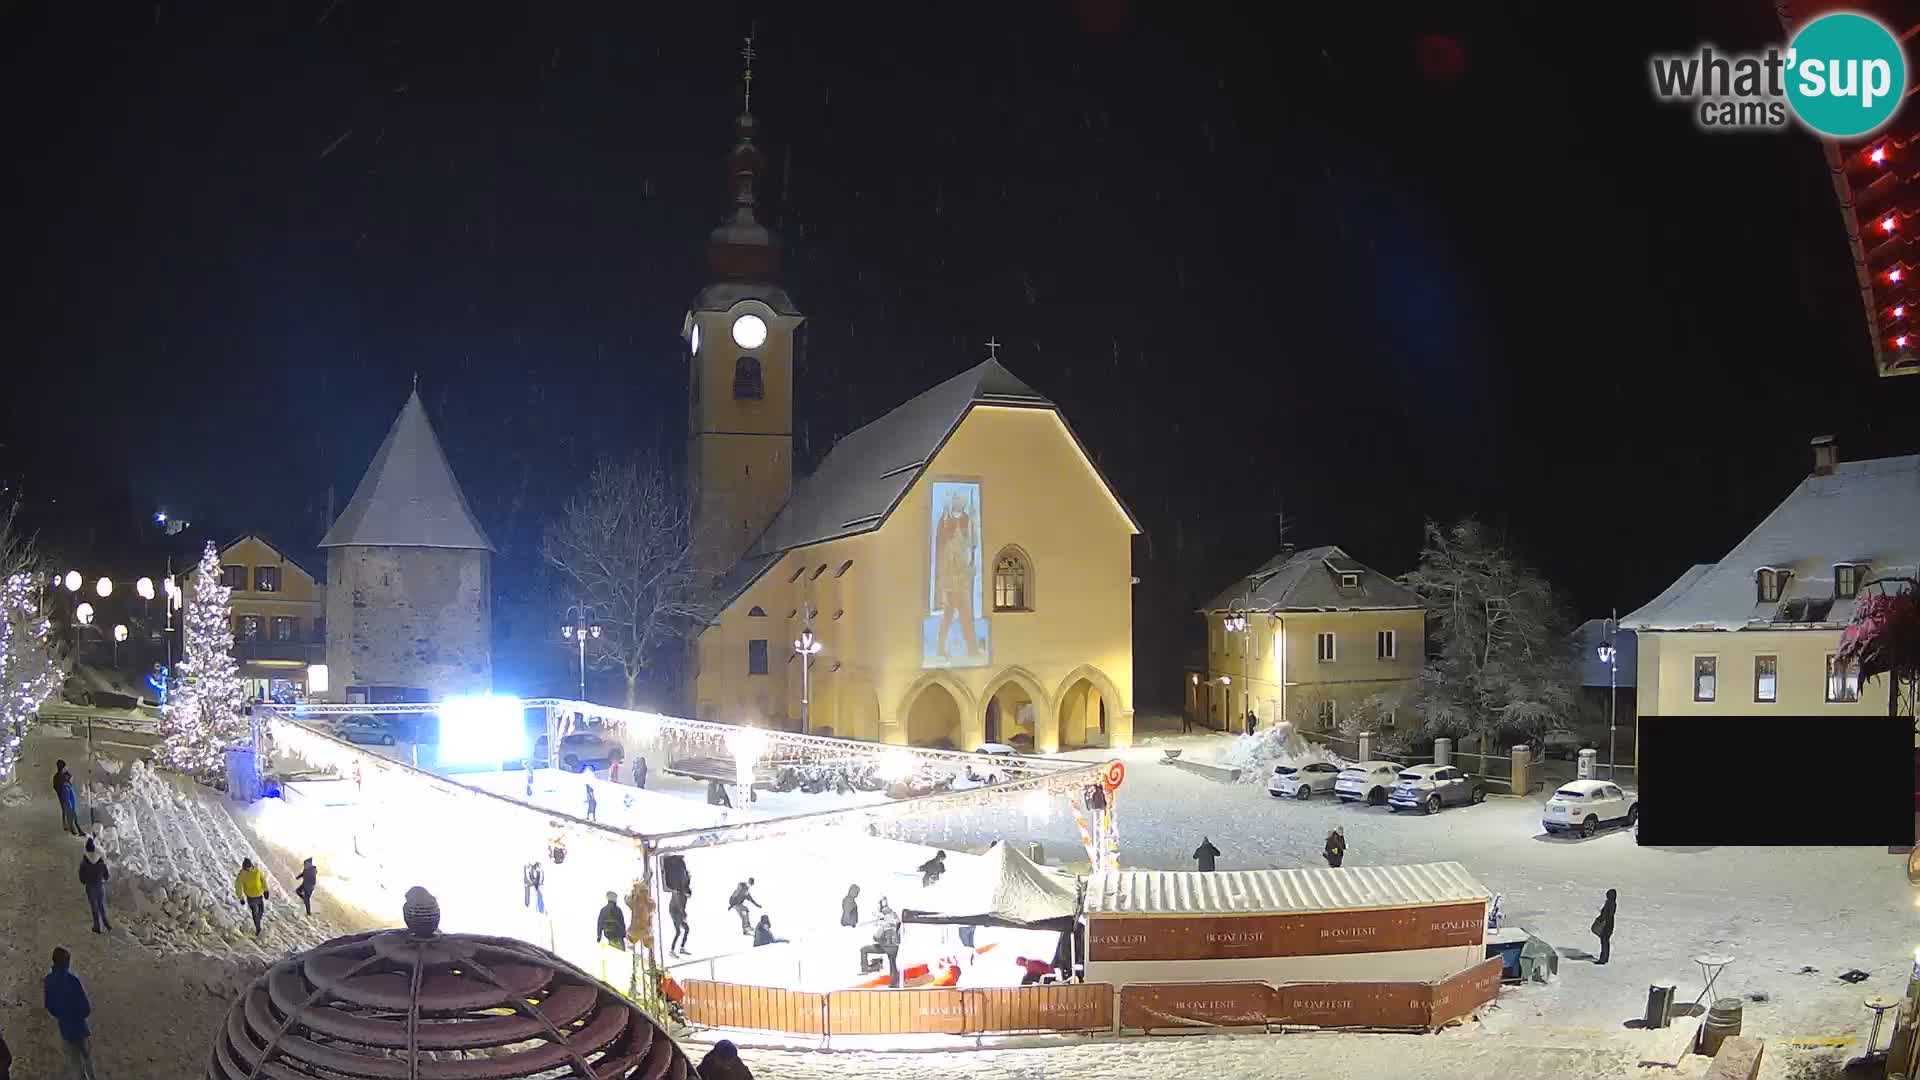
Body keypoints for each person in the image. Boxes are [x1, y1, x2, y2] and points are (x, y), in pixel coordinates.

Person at [43, 947, 96, 1080]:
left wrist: (62, 1016)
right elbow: (86, 1007)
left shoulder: (48, 980)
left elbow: (49, 1006)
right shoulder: (73, 980)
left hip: (65, 1027)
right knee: (86, 1056)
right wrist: (80, 1016)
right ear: (66, 962)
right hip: (79, 1026)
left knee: (75, 1062)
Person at [78, 839, 111, 934]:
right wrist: (104, 879)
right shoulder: (100, 859)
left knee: (94, 907)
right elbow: (106, 874)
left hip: (90, 886)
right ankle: (106, 923)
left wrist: (84, 881)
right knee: (101, 905)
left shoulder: (85, 861)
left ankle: (97, 926)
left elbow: (81, 875)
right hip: (100, 885)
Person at [235, 858, 269, 937]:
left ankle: (257, 924)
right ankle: (258, 929)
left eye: (249, 866)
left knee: (261, 911)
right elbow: (238, 886)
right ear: (244, 867)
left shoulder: (257, 871)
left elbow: (263, 880)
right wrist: (241, 897)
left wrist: (266, 890)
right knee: (255, 912)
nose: (248, 868)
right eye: (247, 867)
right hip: (251, 897)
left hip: (259, 896)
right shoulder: (241, 874)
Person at [54, 760, 82, 836]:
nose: (67, 768)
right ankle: (71, 829)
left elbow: (69, 780)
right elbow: (59, 786)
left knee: (68, 811)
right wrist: (67, 783)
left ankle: (68, 827)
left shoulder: (64, 775)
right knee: (69, 812)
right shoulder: (59, 777)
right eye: (65, 767)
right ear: (62, 768)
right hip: (65, 798)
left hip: (68, 796)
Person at [1592, 888, 1617, 965]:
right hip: (1609, 924)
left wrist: (1601, 918)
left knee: (1604, 941)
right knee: (1605, 941)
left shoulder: (1610, 903)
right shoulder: (1612, 903)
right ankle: (1604, 958)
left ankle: (1603, 959)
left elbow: (1607, 914)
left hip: (1607, 925)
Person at [668, 885, 691, 956]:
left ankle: (682, 948)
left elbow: (682, 907)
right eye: (687, 895)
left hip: (678, 912)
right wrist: (684, 916)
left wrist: (684, 915)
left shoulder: (684, 896)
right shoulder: (678, 894)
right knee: (678, 931)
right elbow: (680, 906)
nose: (688, 897)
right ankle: (671, 951)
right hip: (674, 912)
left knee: (687, 929)